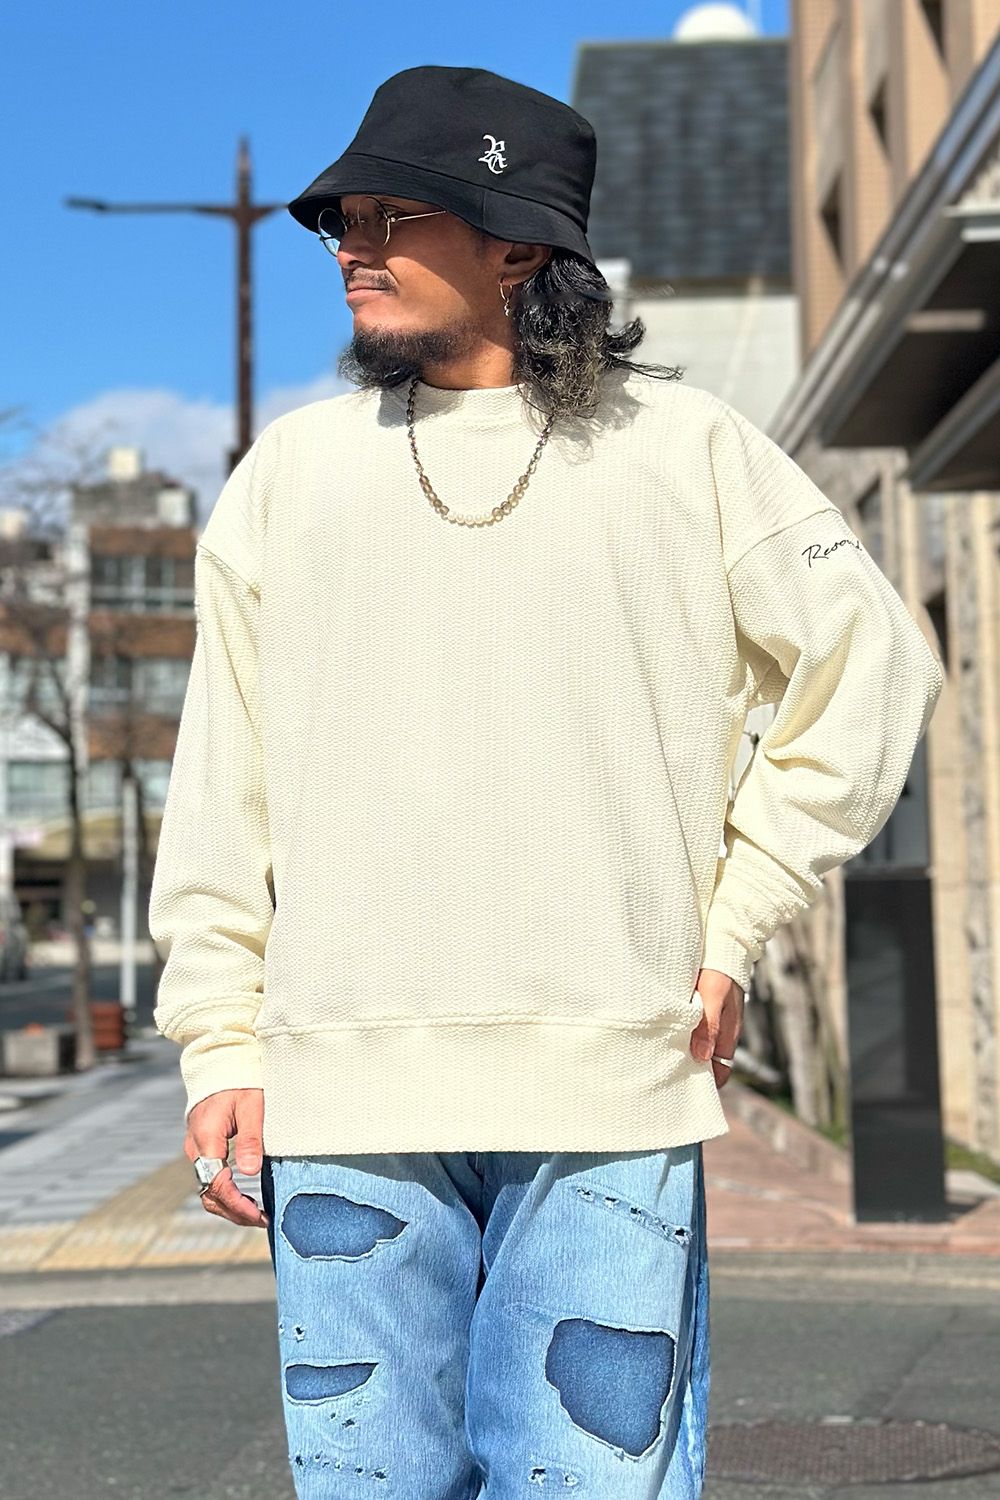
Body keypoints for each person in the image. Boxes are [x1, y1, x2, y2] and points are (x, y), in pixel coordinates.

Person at [148, 64, 944, 1497]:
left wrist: (738, 919)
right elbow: (223, 789)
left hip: (611, 1086)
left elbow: (873, 666)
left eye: (396, 216)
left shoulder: (689, 453)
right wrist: (218, 1040)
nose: (353, 246)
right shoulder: (288, 476)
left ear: (518, 247)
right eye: (341, 220)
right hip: (343, 1093)